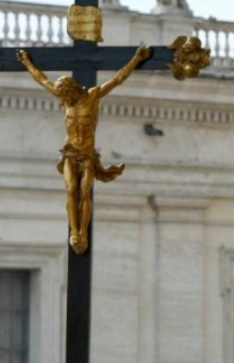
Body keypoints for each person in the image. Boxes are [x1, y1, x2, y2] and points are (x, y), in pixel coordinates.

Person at [16, 45, 152, 254]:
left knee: (85, 191)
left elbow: (117, 79)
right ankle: (74, 232)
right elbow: (42, 79)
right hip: (70, 152)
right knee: (71, 189)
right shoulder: (65, 100)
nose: (62, 98)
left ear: (72, 89)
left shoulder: (92, 96)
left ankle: (83, 233)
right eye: (61, 95)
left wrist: (136, 59)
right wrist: (27, 62)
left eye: (65, 94)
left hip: (87, 154)